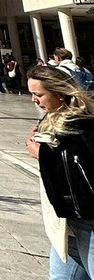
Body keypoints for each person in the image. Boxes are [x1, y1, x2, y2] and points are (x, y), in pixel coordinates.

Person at [25, 65, 94, 278]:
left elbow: (82, 166)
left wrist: (42, 154)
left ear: (59, 93)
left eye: (39, 95)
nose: (34, 100)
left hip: (87, 220)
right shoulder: (51, 118)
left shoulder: (81, 122)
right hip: (65, 223)